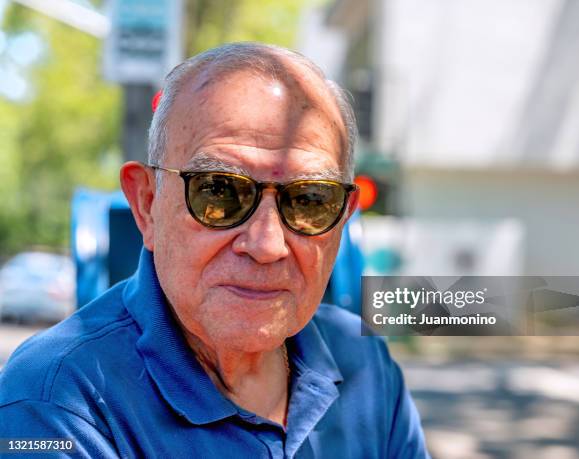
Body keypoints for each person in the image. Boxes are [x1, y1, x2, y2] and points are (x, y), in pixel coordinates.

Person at [0, 43, 429, 458]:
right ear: (147, 205)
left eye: (310, 200)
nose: (266, 245)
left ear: (344, 216)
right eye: (220, 193)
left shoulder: (364, 363)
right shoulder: (56, 401)